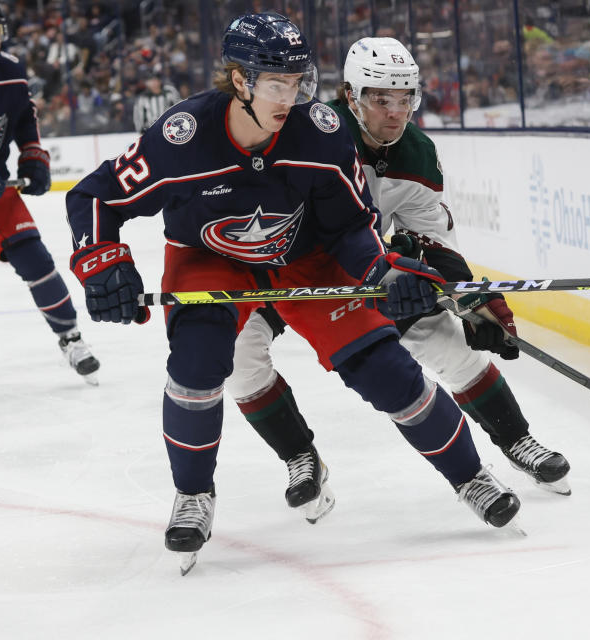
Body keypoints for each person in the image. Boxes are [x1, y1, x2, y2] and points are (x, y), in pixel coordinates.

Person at [64, 13, 520, 573]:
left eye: (299, 81)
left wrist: (386, 272)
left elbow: (352, 228)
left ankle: (470, 476)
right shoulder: (182, 136)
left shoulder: (320, 132)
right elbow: (96, 197)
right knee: (198, 365)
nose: (292, 97)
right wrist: (101, 262)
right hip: (211, 258)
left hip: (305, 255)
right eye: (277, 84)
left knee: (384, 367)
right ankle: (193, 495)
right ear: (239, 81)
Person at [227, 36, 570, 526]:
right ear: (350, 96)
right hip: (273, 271)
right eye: (379, 98)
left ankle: (516, 439)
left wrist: (465, 297)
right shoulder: (311, 134)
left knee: (441, 338)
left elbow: (431, 236)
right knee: (237, 355)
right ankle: (300, 456)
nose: (395, 112)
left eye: (405, 97)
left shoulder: (415, 153)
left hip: (362, 270)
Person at [0, 0, 99, 384]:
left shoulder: (11, 72)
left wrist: (33, 159)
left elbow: (25, 120)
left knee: (36, 259)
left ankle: (70, 338)